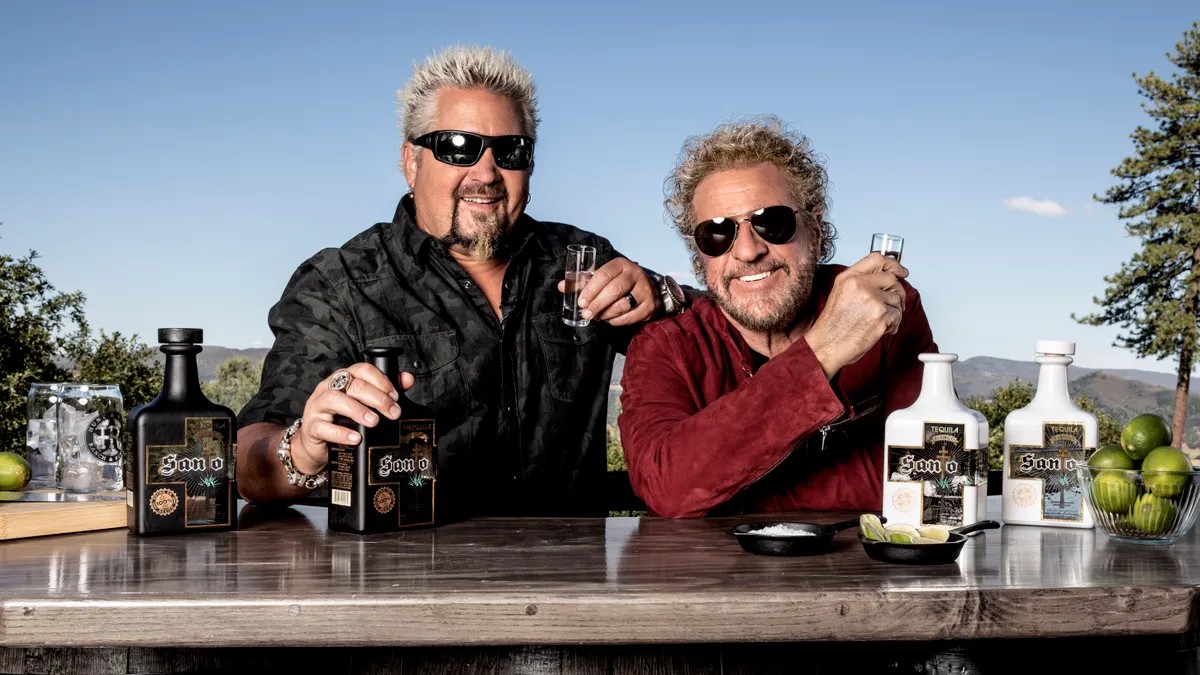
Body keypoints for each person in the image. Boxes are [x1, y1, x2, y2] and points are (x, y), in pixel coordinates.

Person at [236, 45, 689, 517]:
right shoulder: (340, 283)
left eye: (510, 151)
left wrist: (666, 295)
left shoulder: (582, 260)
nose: (487, 173)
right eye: (458, 147)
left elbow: (724, 333)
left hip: (568, 579)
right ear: (412, 161)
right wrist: (303, 448)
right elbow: (250, 457)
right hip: (405, 580)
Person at [618, 117, 936, 517]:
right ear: (700, 256)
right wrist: (823, 349)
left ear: (816, 231)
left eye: (772, 222)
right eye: (716, 233)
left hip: (865, 576)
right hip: (716, 579)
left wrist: (733, 491)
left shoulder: (886, 309)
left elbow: (927, 477)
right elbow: (668, 487)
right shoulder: (665, 347)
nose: (748, 251)